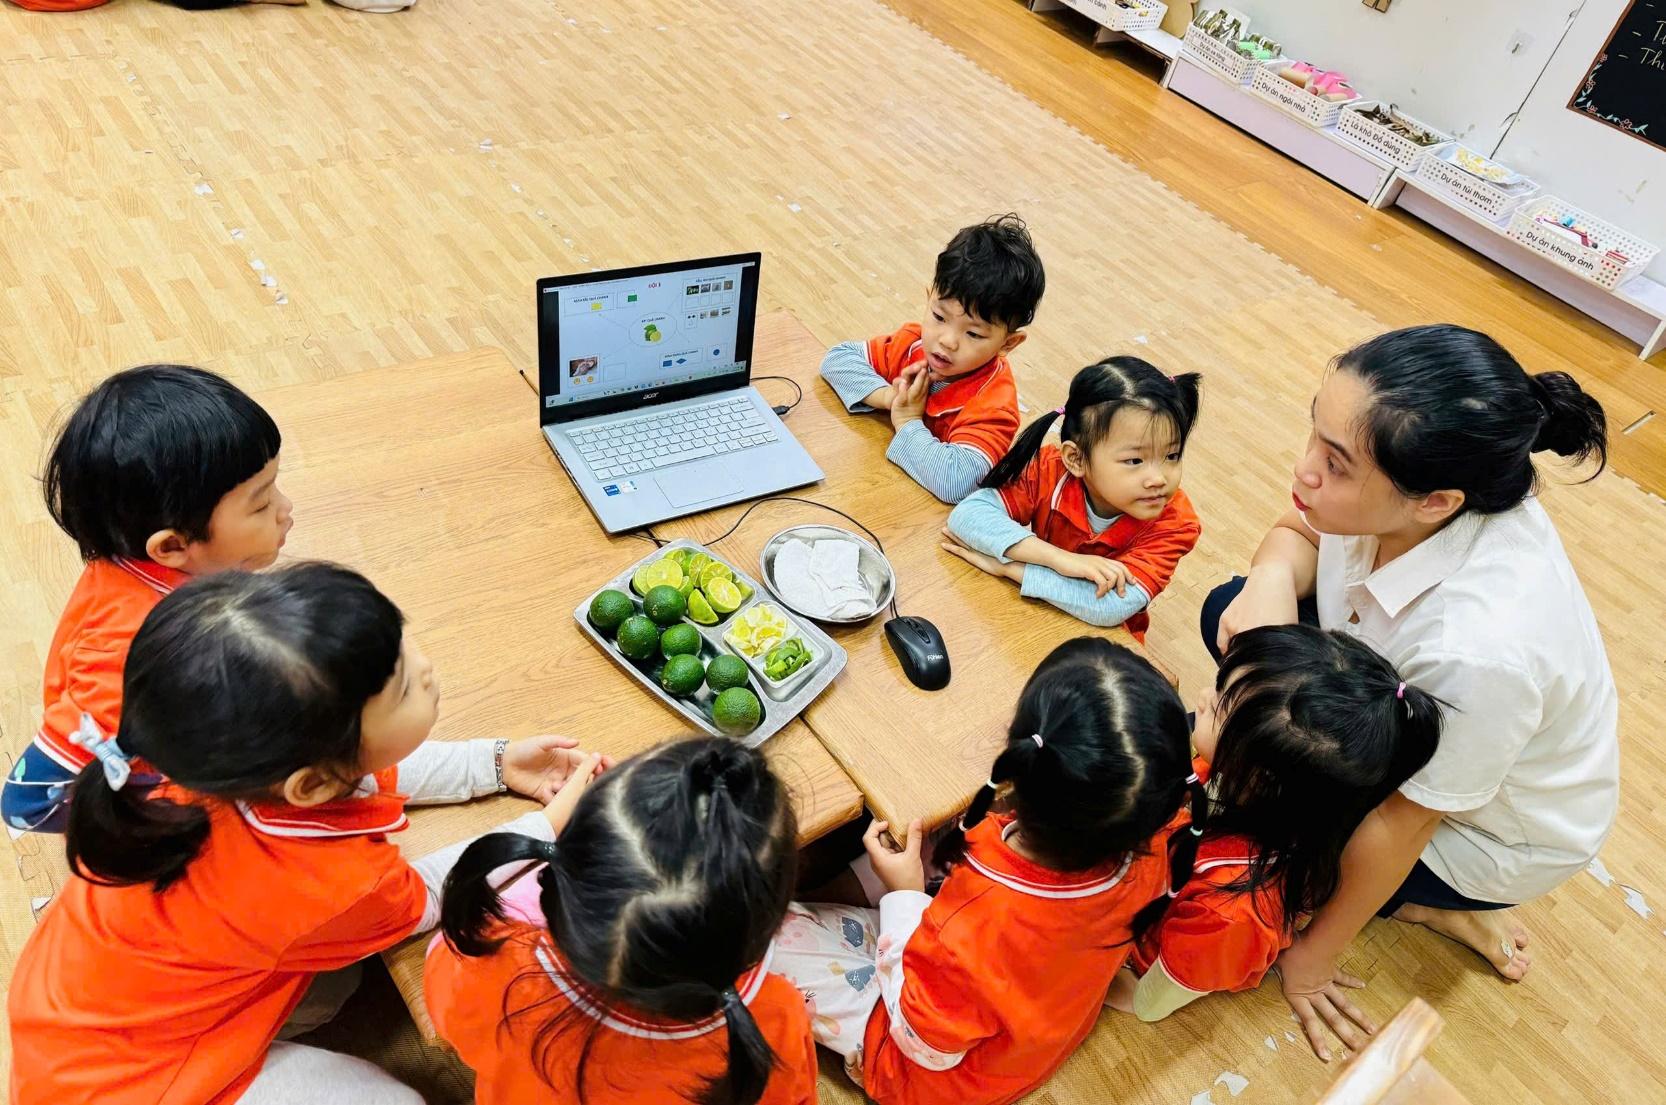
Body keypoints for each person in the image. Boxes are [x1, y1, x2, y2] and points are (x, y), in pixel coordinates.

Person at [8, 563, 607, 1105]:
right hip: (133, 1084)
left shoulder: (202, 757)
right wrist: (542, 831)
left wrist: (497, 763)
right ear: (312, 785)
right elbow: (427, 895)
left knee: (337, 983)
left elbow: (368, 772)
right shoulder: (326, 884)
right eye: (401, 685)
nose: (425, 666)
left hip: (75, 1009)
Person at [1202, 324, 1618, 1058]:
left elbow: (1404, 820)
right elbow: (1296, 528)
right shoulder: (1404, 486)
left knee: (1272, 823)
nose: (1303, 471)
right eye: (1314, 435)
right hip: (1391, 687)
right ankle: (1416, 898)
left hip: (1480, 828)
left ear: (1435, 502)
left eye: (1334, 463)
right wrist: (1269, 581)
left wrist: (1311, 960)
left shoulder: (1483, 648)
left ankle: (1439, 905)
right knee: (1227, 609)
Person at [773, 637, 1200, 1105]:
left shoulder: (974, 925)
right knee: (925, 844)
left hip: (927, 1068)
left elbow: (926, 1043)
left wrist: (905, 898)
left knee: (763, 939)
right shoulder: (1158, 846)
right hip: (1023, 1034)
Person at [426, 736, 817, 1105]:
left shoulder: (492, 961)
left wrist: (543, 887)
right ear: (775, 919)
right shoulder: (775, 1017)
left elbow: (441, 974)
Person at [2, 365, 294, 835]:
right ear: (172, 547)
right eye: (260, 503)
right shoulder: (126, 660)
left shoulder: (164, 569)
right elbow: (27, 804)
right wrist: (153, 819)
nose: (286, 508)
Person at [1103, 625, 1443, 1023]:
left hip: (1146, 946)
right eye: (1219, 686)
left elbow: (1156, 998)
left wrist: (1116, 986)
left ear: (1260, 776)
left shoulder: (1231, 914)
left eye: (1218, 706)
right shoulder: (1237, 782)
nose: (1202, 697)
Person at [940, 357, 1201, 642]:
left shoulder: (1176, 522)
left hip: (1102, 642)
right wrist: (1061, 560)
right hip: (1027, 613)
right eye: (1135, 460)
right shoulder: (1050, 471)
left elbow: (1110, 608)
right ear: (1076, 459)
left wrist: (1010, 568)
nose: (1158, 478)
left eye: (1172, 456)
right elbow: (968, 515)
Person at [818, 213, 1045, 503]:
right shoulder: (911, 345)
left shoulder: (994, 404)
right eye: (939, 317)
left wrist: (906, 419)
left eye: (973, 334)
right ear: (929, 298)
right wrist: (888, 397)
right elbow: (837, 359)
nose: (947, 341)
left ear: (1009, 343)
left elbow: (956, 483)